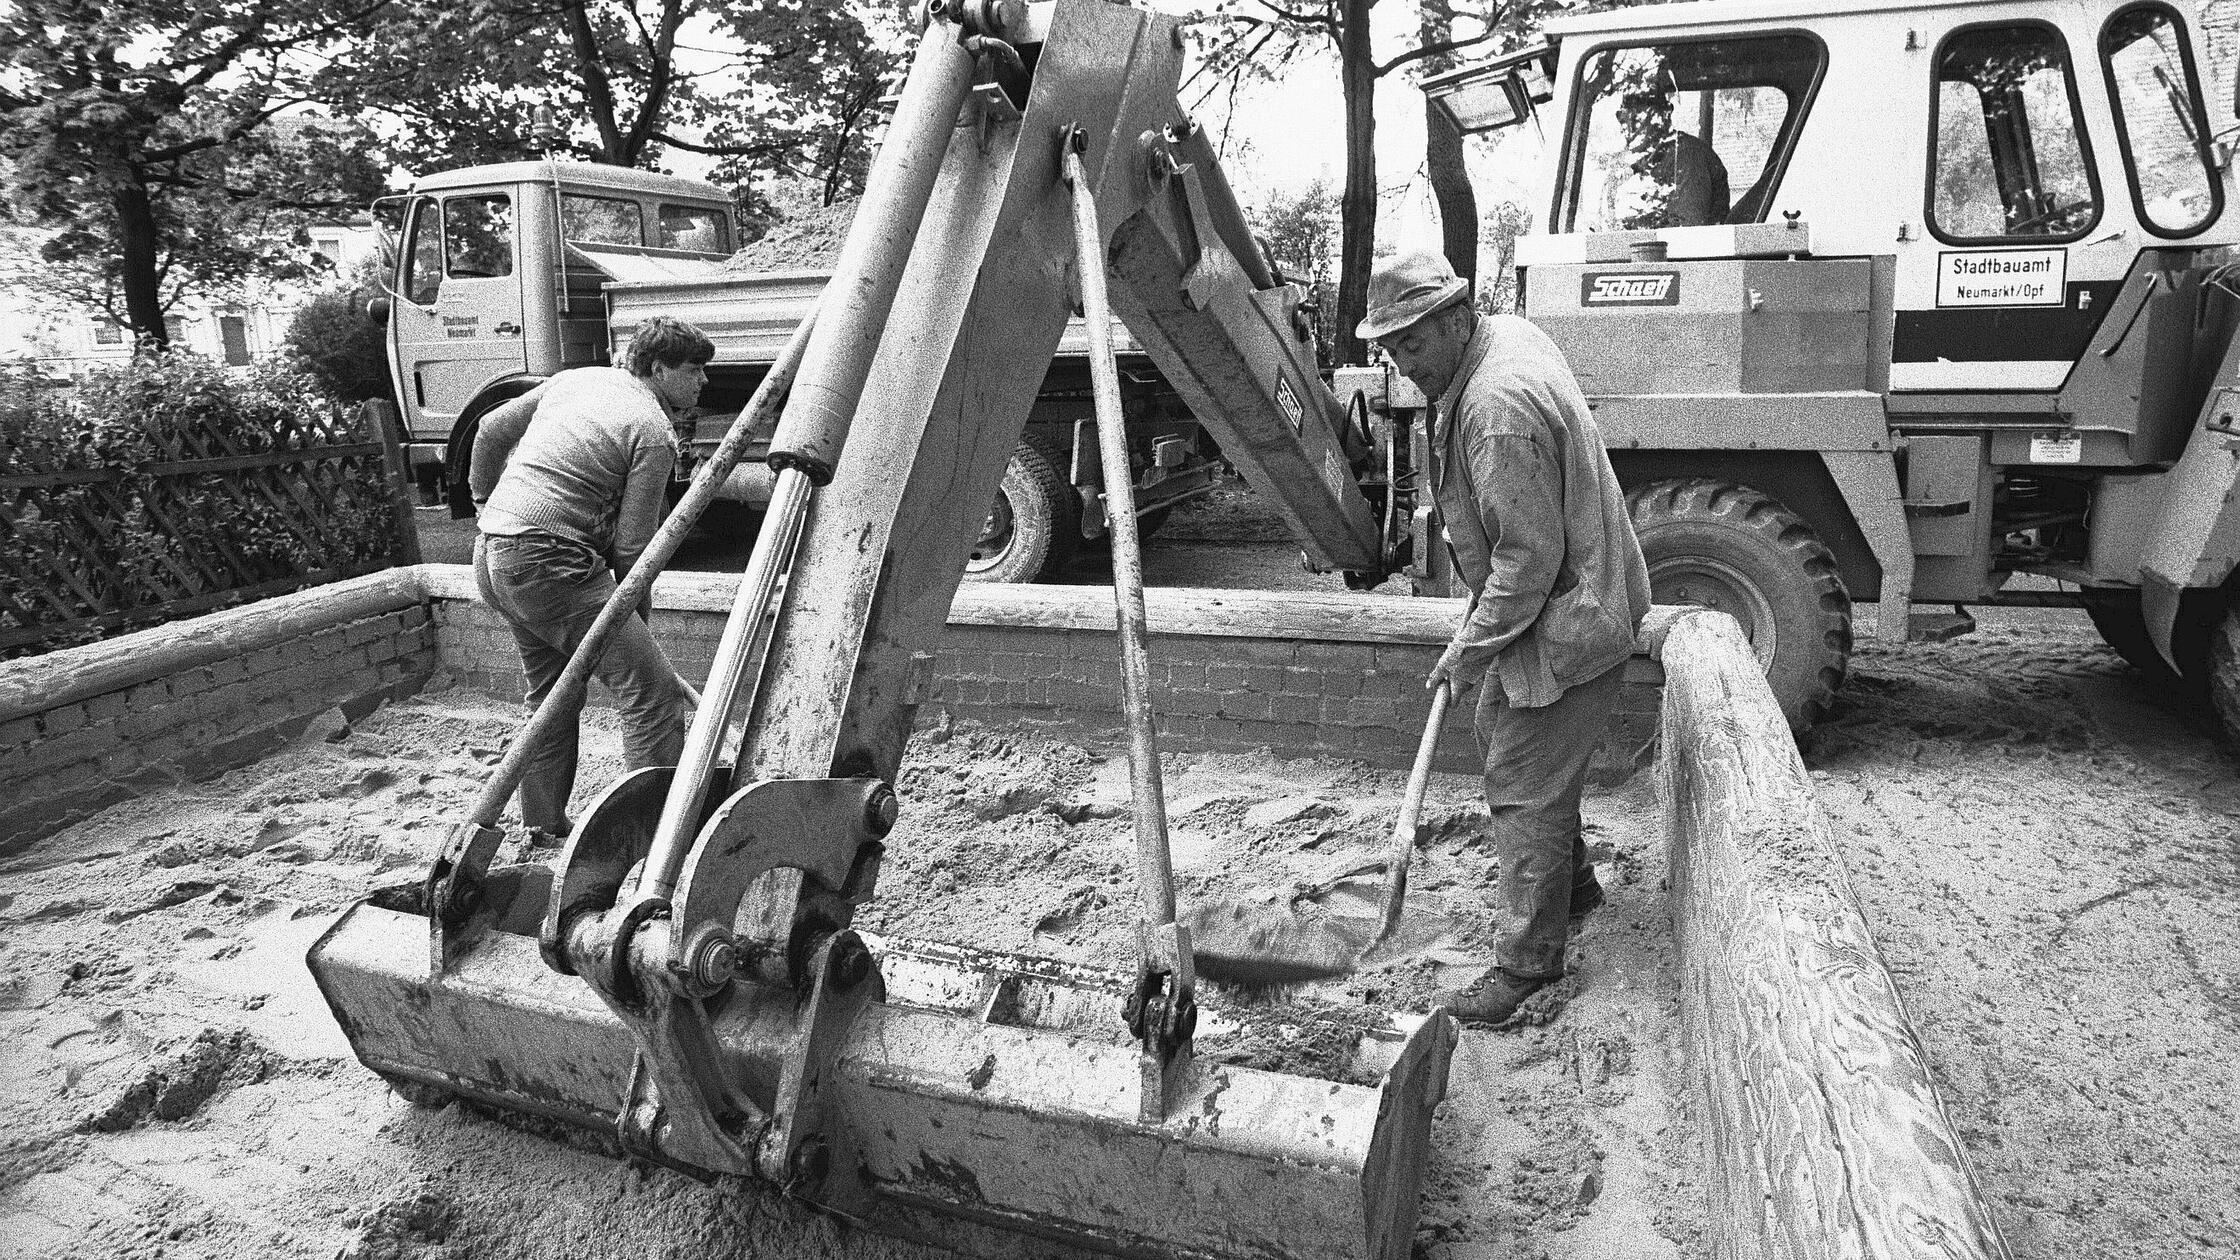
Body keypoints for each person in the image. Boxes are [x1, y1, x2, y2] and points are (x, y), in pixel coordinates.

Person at [1360, 250, 1651, 1025]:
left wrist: (1468, 647)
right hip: (1567, 596)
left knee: (1522, 775)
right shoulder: (1503, 337)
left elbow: (1526, 561)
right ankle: (1572, 886)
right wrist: (1479, 646)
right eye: (1391, 348)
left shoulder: (1493, 411)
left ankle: (1526, 966)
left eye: (1413, 343)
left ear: (1456, 319)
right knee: (1499, 726)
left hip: (1572, 616)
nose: (1403, 364)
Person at [468, 315, 711, 843]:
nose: (704, 380)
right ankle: (650, 841)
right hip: (550, 565)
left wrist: (483, 500)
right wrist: (635, 627)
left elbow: (488, 429)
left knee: (552, 696)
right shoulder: (653, 432)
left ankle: (543, 825)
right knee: (652, 696)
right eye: (694, 369)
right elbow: (633, 550)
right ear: (658, 368)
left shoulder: (577, 379)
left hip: (492, 555)